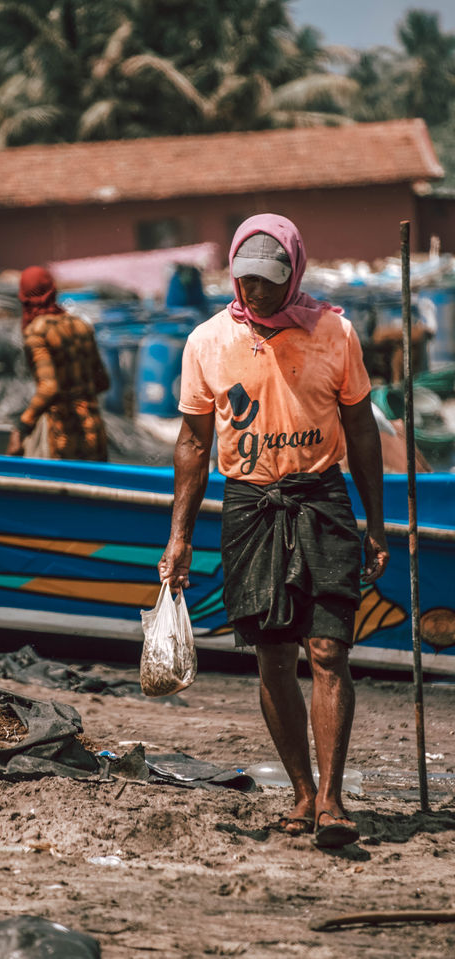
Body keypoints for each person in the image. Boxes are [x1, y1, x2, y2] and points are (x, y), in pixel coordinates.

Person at [158, 214, 389, 849]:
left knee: (328, 650)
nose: (258, 291)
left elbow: (362, 428)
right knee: (273, 654)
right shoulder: (207, 342)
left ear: (293, 273)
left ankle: (334, 801)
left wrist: (375, 522)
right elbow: (193, 443)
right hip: (249, 505)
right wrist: (179, 537)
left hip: (320, 498)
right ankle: (302, 792)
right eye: (248, 279)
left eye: (271, 279)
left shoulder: (334, 332)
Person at [7, 266, 110, 460]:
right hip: (94, 432)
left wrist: (22, 426)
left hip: (64, 437)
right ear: (52, 290)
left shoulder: (37, 332)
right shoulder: (81, 325)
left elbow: (49, 387)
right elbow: (103, 382)